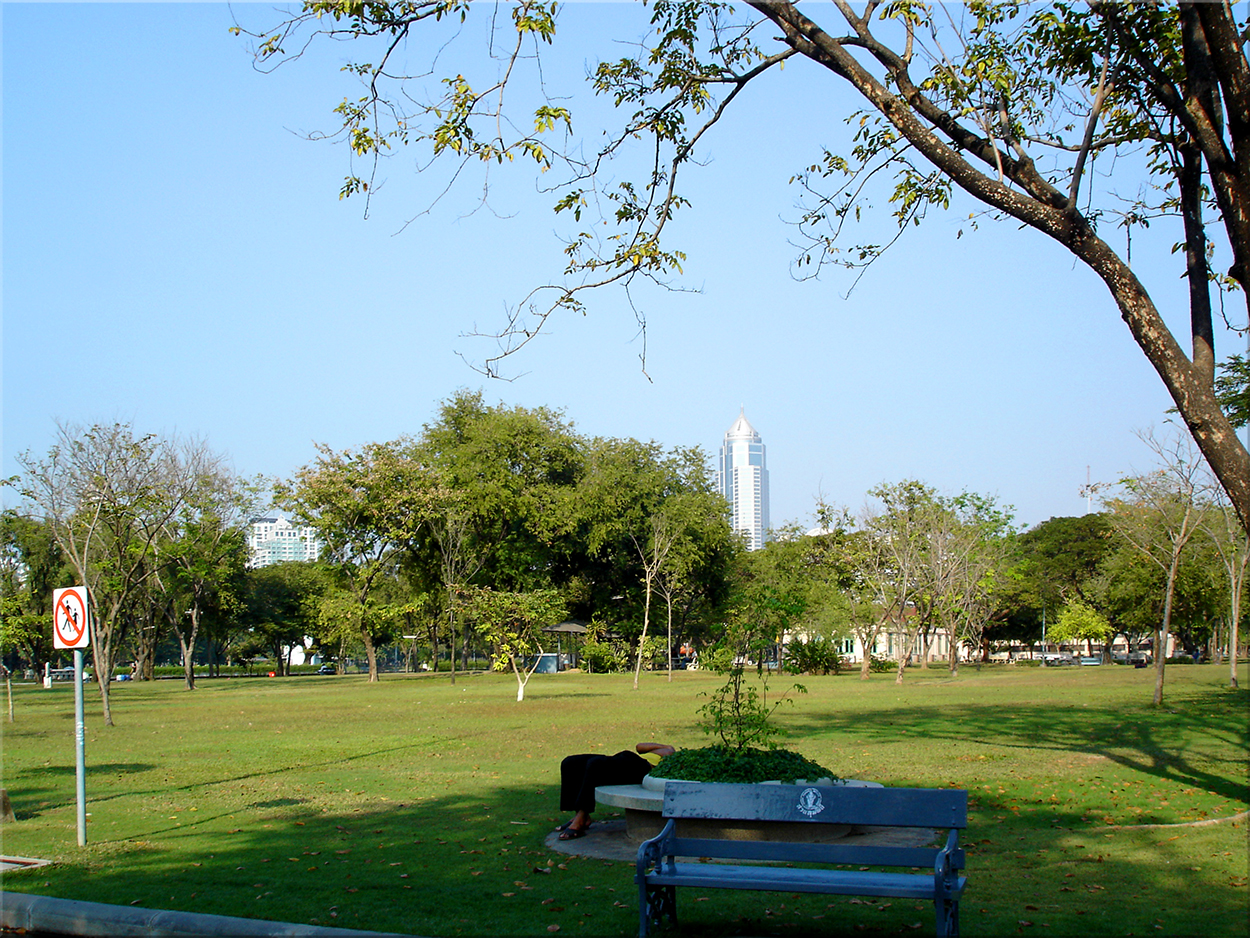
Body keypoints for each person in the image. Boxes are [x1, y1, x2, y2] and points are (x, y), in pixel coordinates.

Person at [555, 742, 675, 840]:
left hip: (641, 768)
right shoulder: (666, 749)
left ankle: (581, 818)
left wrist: (669, 749)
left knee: (595, 764)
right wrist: (664, 746)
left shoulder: (673, 755)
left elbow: (669, 755)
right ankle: (579, 816)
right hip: (628, 758)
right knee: (570, 762)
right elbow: (639, 746)